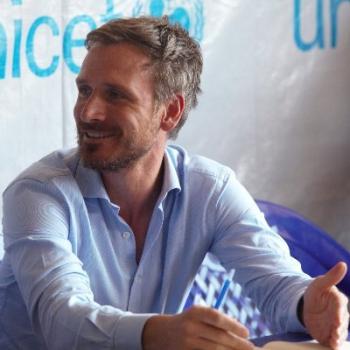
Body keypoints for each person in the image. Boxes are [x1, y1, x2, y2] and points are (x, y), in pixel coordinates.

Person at [0, 16, 348, 350]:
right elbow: (61, 321)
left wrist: (307, 305)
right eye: (85, 90)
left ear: (170, 111)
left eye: (115, 95)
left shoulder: (210, 188)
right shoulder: (38, 193)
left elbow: (275, 283)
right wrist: (157, 334)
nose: (88, 112)